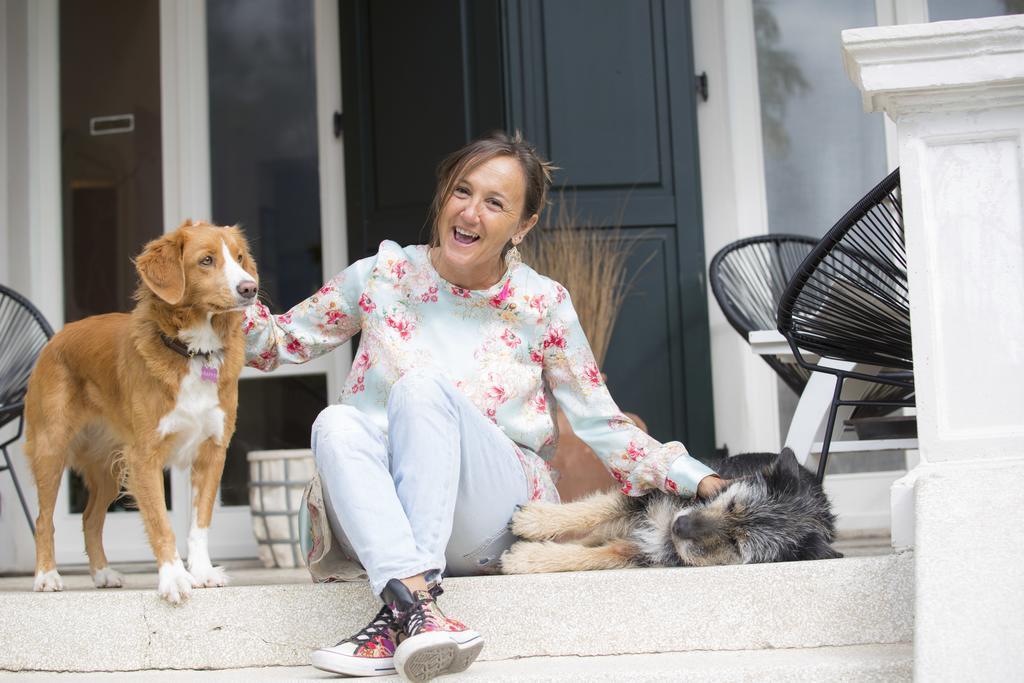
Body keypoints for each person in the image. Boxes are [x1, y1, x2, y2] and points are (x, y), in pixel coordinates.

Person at [243, 131, 727, 681]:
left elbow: (601, 423)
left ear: (522, 226)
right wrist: (217, 285)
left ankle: (404, 604)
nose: (470, 212)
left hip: (485, 517)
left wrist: (697, 478)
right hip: (381, 522)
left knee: (420, 390)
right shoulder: (382, 276)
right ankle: (416, 608)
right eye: (462, 191)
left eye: (495, 203)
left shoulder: (541, 303)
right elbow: (274, 344)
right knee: (335, 422)